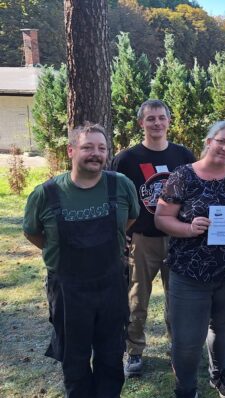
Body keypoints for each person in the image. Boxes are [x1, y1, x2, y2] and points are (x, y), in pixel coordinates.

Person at [154, 120, 225, 398]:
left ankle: (220, 374)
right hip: (190, 272)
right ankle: (186, 388)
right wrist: (188, 228)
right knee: (186, 339)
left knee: (223, 325)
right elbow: (162, 218)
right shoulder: (183, 176)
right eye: (222, 141)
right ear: (208, 142)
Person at [23, 122, 139, 397]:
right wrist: (60, 255)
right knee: (74, 359)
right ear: (71, 150)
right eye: (87, 147)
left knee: (111, 356)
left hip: (112, 284)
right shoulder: (46, 193)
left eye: (101, 148)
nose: (95, 153)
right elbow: (32, 233)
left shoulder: (120, 185)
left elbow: (130, 220)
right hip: (67, 289)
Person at [110, 99, 196, 377]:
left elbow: (196, 193)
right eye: (151, 119)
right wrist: (120, 233)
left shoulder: (183, 156)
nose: (157, 123)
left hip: (178, 238)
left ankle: (177, 348)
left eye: (162, 118)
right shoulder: (126, 159)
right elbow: (116, 200)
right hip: (142, 238)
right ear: (141, 123)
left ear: (169, 121)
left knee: (179, 298)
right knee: (137, 298)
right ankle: (134, 352)